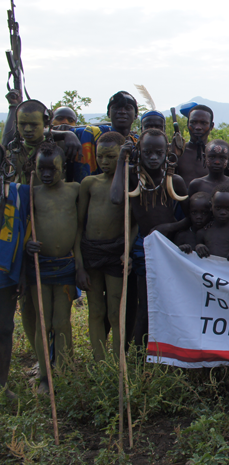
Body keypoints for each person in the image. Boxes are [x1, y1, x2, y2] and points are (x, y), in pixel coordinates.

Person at [111, 128, 189, 348]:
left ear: (167, 153)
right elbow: (116, 199)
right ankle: (140, 356)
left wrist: (168, 227)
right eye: (147, 153)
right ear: (139, 152)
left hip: (171, 250)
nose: (153, 158)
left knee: (171, 302)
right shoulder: (133, 179)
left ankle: (170, 350)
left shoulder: (176, 181)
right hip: (144, 249)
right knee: (145, 304)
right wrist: (121, 161)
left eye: (158, 152)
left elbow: (192, 219)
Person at [25, 143, 81, 394]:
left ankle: (64, 371)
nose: (46, 174)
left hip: (66, 266)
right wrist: (28, 243)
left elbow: (79, 229)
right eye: (41, 169)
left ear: (64, 167)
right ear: (34, 169)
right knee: (43, 322)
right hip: (41, 266)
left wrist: (79, 265)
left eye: (52, 169)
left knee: (61, 321)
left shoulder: (74, 191)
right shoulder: (31, 193)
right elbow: (21, 227)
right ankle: (45, 375)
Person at [75, 131, 130, 362]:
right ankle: (99, 362)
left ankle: (118, 364)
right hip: (91, 252)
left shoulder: (129, 184)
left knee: (115, 311)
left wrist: (127, 252)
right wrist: (79, 265)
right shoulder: (89, 183)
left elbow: (133, 223)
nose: (104, 162)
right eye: (100, 156)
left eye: (111, 157)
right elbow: (78, 226)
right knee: (95, 310)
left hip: (115, 254)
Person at [0, 152, 30, 399]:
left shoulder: (17, 194)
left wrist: (21, 272)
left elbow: (24, 232)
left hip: (5, 273)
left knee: (4, 327)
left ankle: (2, 385)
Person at [73, 91, 139, 183]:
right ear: (108, 113)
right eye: (116, 108)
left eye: (128, 108)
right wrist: (68, 134)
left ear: (136, 115)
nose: (122, 112)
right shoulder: (94, 134)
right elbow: (60, 132)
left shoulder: (138, 142)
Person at [195, 184, 229, 263]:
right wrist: (198, 247)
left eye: (228, 208)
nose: (223, 212)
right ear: (211, 206)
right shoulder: (203, 232)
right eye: (218, 208)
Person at [176, 105, 214, 186]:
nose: (198, 127)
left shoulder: (217, 155)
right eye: (193, 122)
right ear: (187, 124)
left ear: (212, 126)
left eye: (203, 123)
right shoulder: (177, 152)